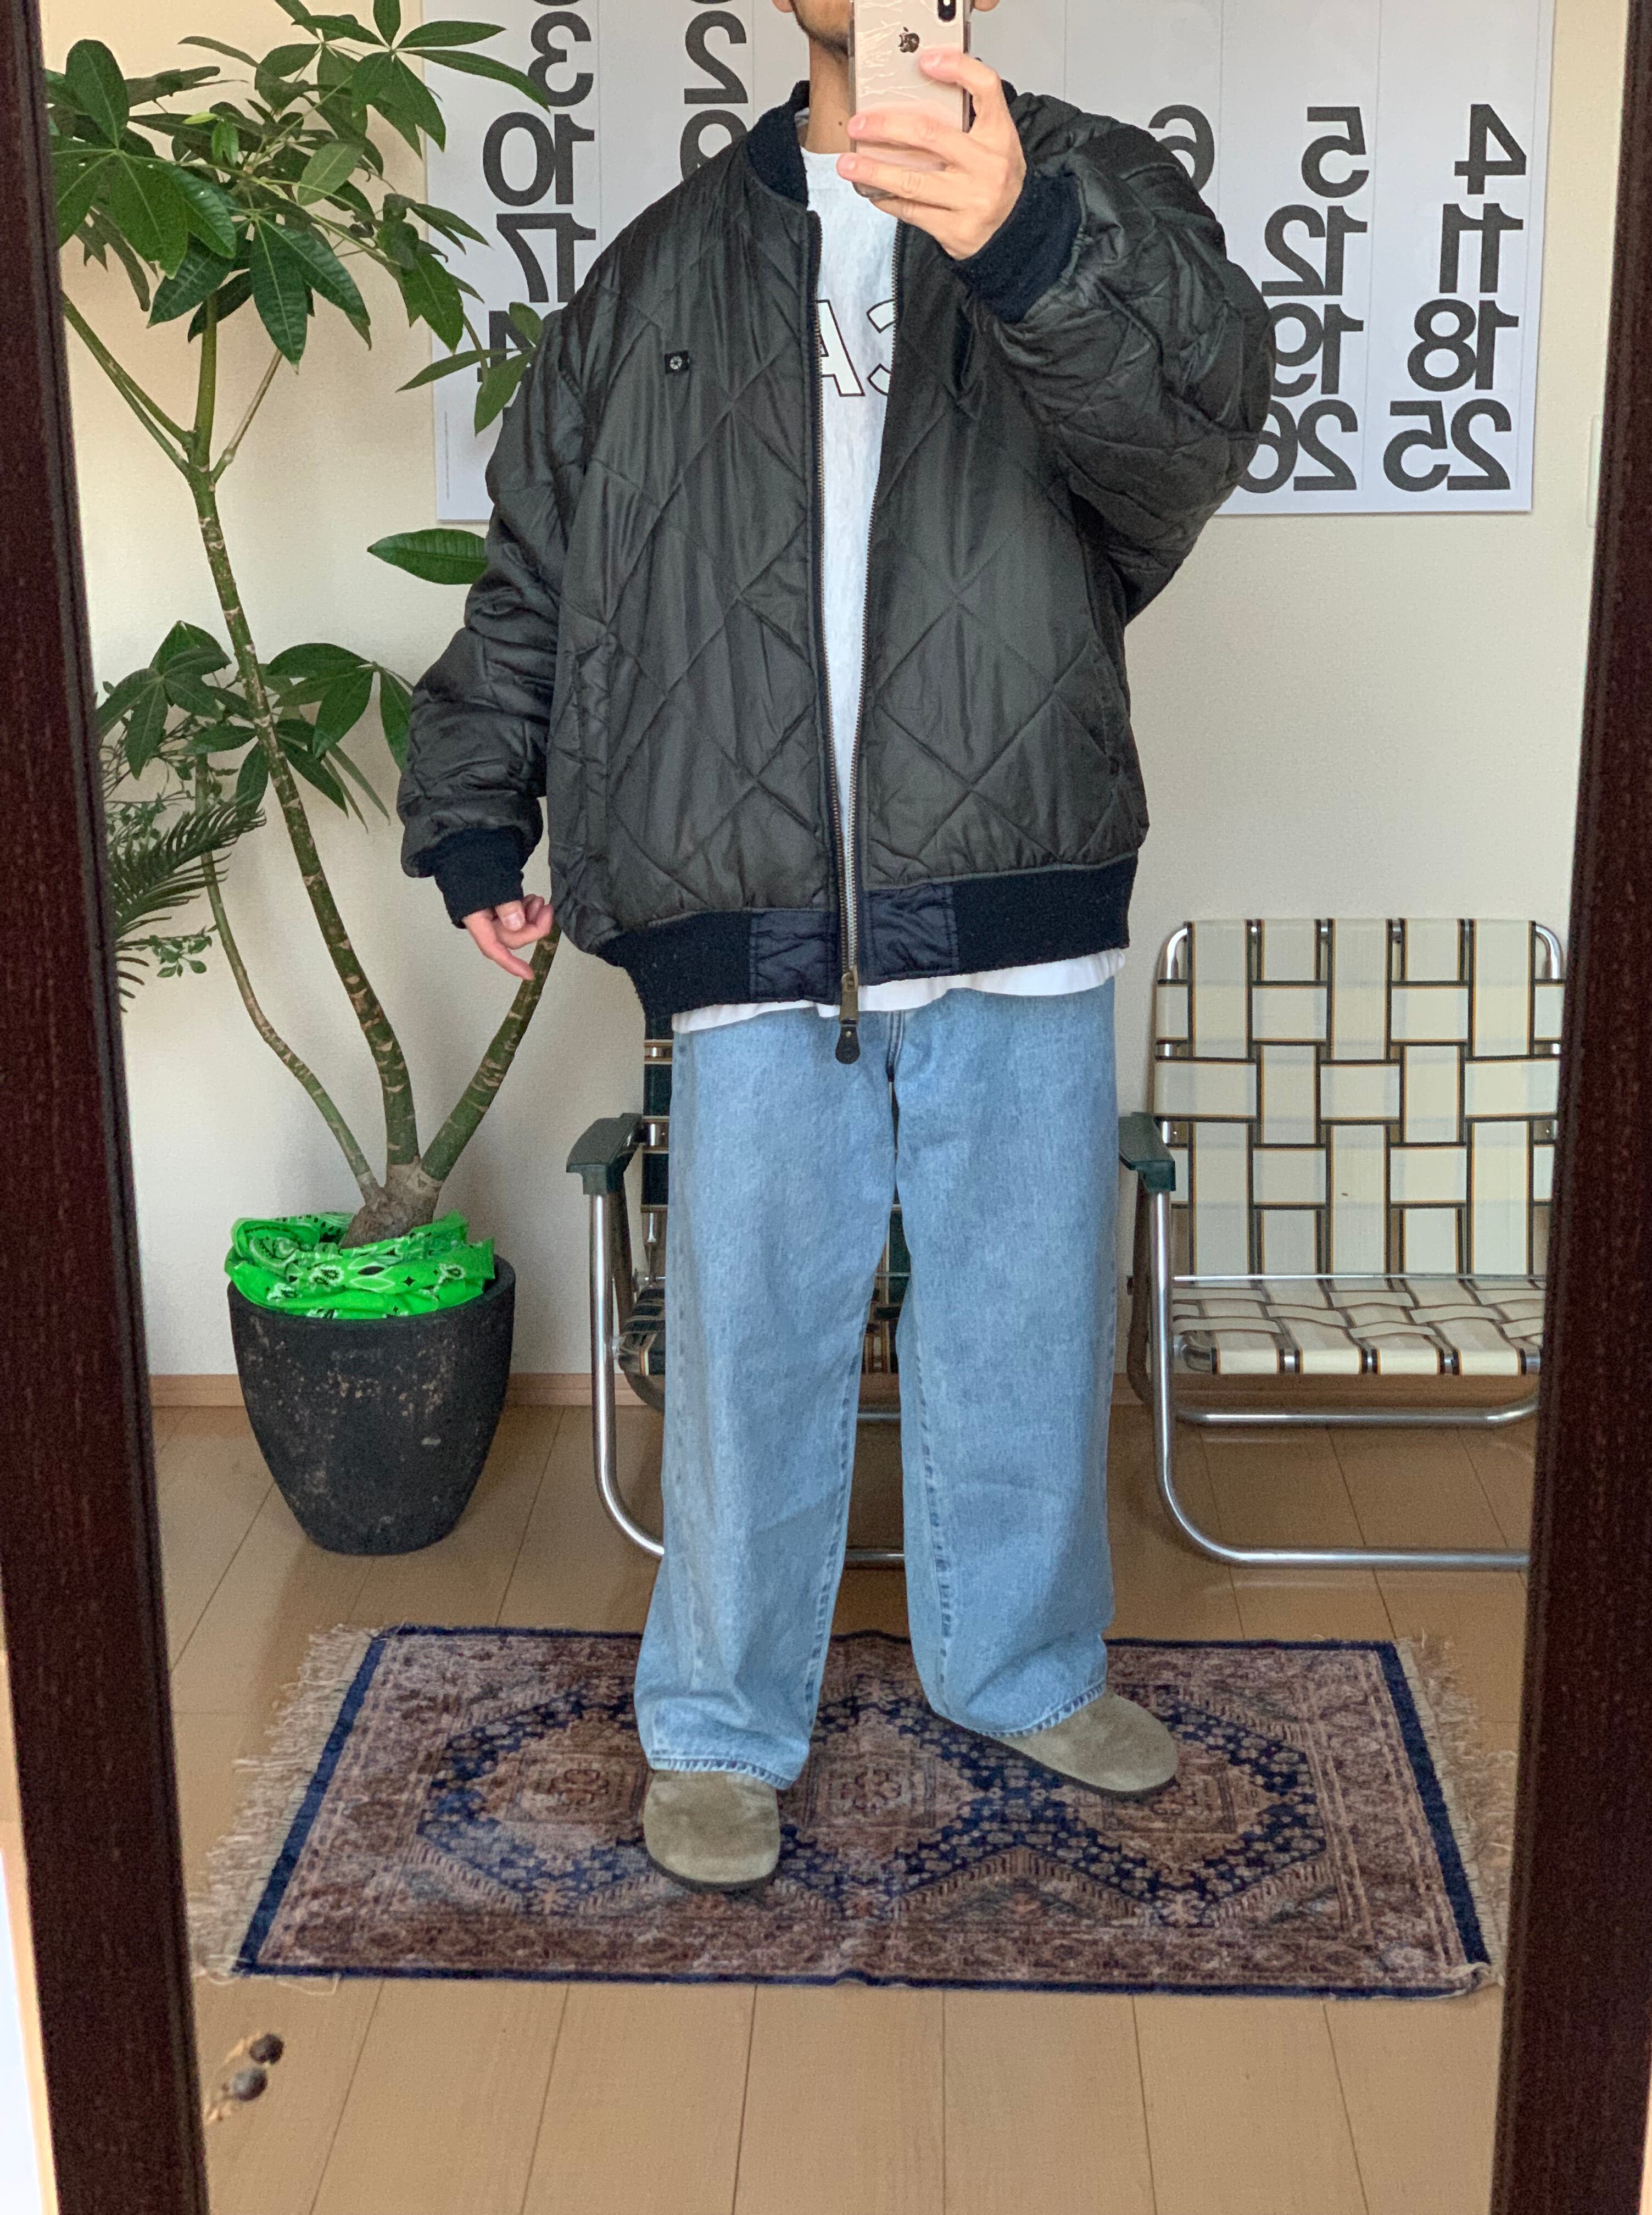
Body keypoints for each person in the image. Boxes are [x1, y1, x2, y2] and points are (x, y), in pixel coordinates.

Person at [398, 0, 1271, 1891]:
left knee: (1028, 1325)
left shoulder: (1098, 192)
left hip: (1018, 869)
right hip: (741, 899)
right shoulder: (656, 273)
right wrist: (477, 802)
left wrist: (1023, 245)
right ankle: (720, 1718)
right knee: (747, 1341)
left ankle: (1023, 1667)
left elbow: (1184, 455)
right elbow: (540, 560)